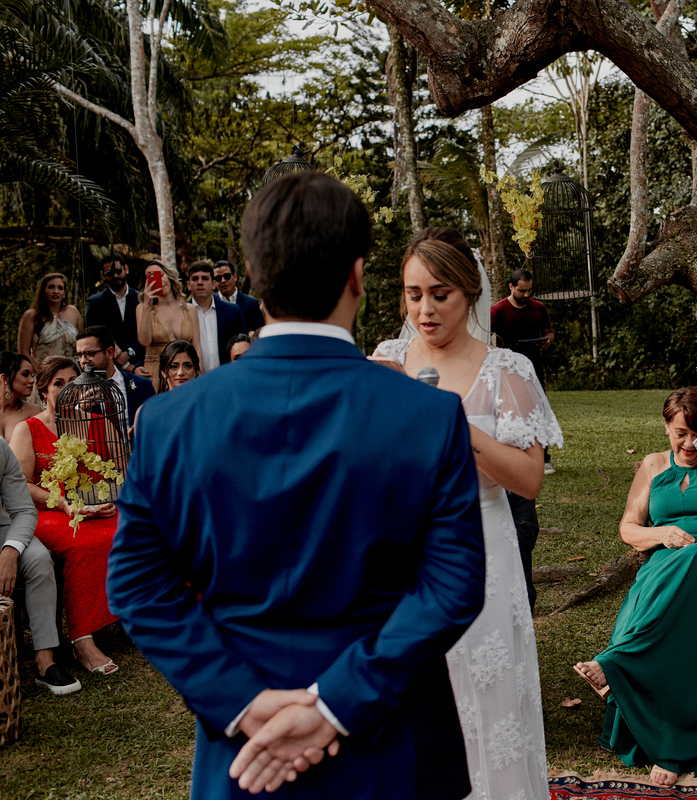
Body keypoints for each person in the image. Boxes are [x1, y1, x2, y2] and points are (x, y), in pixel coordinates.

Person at [107, 172, 486, 799]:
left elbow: (137, 586)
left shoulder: (169, 421)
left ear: (253, 277)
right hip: (391, 740)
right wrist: (335, 704)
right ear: (359, 276)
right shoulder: (427, 415)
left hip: (245, 754)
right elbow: (451, 585)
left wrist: (243, 703)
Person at [374, 226, 562, 800]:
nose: (425, 309)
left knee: (486, 697)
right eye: (413, 294)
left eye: (440, 294)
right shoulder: (383, 363)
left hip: (480, 547)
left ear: (470, 292)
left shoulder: (507, 371)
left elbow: (529, 479)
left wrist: (450, 423)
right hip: (401, 555)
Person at [573, 387, 697, 787]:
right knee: (682, 565)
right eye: (680, 433)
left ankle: (615, 663)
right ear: (666, 428)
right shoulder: (652, 465)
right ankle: (633, 686)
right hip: (663, 564)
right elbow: (629, 528)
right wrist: (662, 534)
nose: (688, 443)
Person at [9, 356, 121, 679]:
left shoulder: (96, 421)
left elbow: (122, 468)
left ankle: (140, 616)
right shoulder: (27, 429)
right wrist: (64, 505)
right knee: (84, 542)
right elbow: (23, 487)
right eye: (58, 383)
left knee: (137, 531)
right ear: (43, 391)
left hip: (95, 509)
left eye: (72, 382)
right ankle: (82, 638)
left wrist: (106, 498)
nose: (66, 389)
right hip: (49, 513)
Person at [0, 436, 76, 694]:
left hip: (4, 528)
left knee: (39, 559)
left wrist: (10, 550)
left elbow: (23, 510)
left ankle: (45, 662)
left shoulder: (0, 447)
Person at [490, 268, 556, 475]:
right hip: (507, 368)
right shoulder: (498, 310)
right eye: (521, 291)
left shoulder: (538, 308)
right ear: (511, 287)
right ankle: (510, 455)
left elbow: (549, 332)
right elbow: (482, 335)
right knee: (509, 409)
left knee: (537, 408)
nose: (526, 295)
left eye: (529, 291)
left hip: (533, 365)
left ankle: (544, 458)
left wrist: (548, 340)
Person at [137, 261, 201, 392]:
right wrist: (148, 304)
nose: (158, 280)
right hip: (155, 372)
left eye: (161, 275)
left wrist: (199, 375)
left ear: (169, 276)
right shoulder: (142, 308)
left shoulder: (189, 309)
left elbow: (197, 347)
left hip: (185, 372)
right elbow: (144, 341)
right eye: (152, 277)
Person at [75, 326, 155, 429]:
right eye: (79, 355)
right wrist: (81, 411)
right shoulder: (79, 391)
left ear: (109, 353)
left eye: (89, 354)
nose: (83, 361)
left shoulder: (142, 385)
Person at [86, 254, 146, 374]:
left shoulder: (142, 299)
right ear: (103, 275)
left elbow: (148, 332)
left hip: (141, 363)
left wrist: (130, 352)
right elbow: (93, 334)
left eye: (118, 271)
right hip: (109, 367)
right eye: (109, 273)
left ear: (126, 269)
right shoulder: (95, 303)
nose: (115, 276)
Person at [187, 261, 248, 373]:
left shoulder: (233, 311)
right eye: (195, 279)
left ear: (214, 284)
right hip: (193, 381)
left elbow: (245, 345)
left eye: (205, 278)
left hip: (228, 377)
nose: (200, 283)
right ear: (188, 285)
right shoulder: (182, 314)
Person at [17, 273, 83, 368]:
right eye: (51, 287)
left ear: (64, 293)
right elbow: (23, 352)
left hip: (72, 372)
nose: (55, 291)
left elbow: (84, 344)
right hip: (43, 372)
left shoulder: (73, 312)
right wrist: (40, 374)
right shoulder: (31, 316)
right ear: (43, 291)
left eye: (60, 288)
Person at [213, 260, 265, 331]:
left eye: (227, 276)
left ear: (235, 277)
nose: (223, 281)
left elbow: (259, 331)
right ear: (214, 282)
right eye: (218, 278)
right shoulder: (211, 303)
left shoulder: (251, 303)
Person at [0, 352, 40, 442]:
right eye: (25, 374)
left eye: (32, 375)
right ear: (4, 378)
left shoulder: (34, 412)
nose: (32, 380)